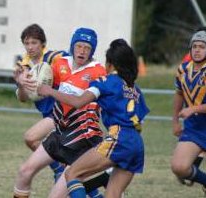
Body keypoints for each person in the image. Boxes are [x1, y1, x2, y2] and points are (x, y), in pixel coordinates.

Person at [38, 39, 149, 198]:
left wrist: (50, 91)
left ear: (110, 64)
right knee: (113, 193)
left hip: (119, 138)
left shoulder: (106, 81)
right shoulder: (135, 90)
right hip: (137, 145)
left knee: (73, 173)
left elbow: (78, 102)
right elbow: (140, 122)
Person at [13, 27, 107, 198]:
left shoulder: (98, 71)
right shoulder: (60, 64)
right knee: (24, 171)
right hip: (59, 132)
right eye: (79, 46)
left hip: (82, 137)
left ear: (92, 50)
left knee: (63, 190)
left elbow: (79, 101)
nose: (82, 51)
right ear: (73, 46)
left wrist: (50, 91)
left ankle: (94, 192)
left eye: (87, 47)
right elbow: (33, 92)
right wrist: (22, 83)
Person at [14, 24, 68, 182]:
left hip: (63, 112)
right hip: (48, 115)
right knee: (74, 165)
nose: (30, 47)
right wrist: (22, 84)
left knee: (31, 138)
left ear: (42, 44)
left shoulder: (55, 58)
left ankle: (58, 169)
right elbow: (22, 98)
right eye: (27, 43)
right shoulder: (23, 67)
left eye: (34, 42)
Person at [171, 30, 206, 198]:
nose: (197, 50)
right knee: (179, 167)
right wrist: (175, 122)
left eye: (202, 47)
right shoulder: (183, 69)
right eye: (194, 46)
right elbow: (179, 93)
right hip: (194, 128)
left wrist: (193, 109)